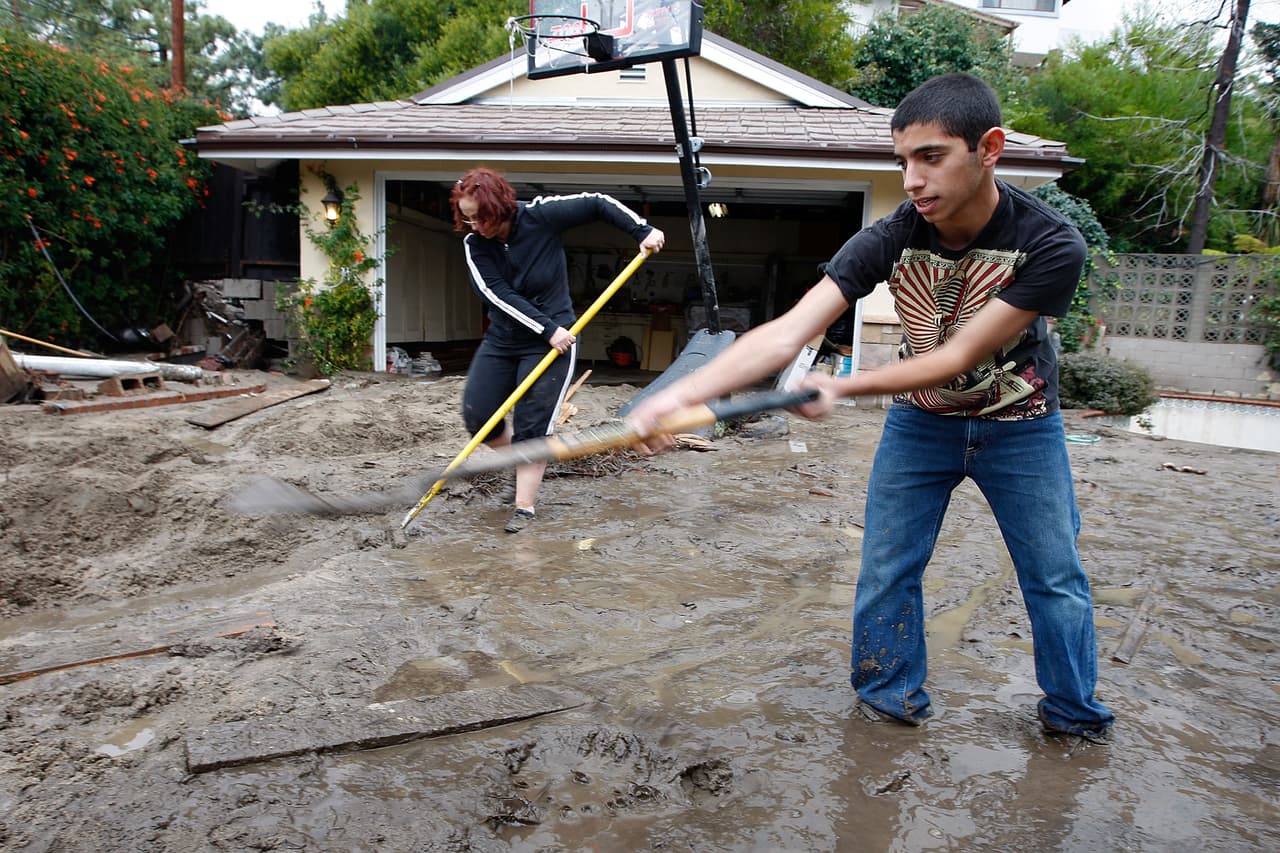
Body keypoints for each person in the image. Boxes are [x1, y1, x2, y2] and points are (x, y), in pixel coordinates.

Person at [626, 73, 1115, 741]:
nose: (913, 179)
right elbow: (790, 329)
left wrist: (844, 386)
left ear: (989, 148)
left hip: (1021, 424)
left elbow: (960, 355)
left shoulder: (1052, 242)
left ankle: (1074, 715)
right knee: (888, 568)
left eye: (932, 157)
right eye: (903, 162)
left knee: (1053, 577)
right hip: (920, 424)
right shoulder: (892, 235)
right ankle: (888, 700)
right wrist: (678, 393)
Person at [451, 168, 665, 533]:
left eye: (481, 217)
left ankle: (524, 506)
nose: (475, 226)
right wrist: (545, 328)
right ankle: (521, 465)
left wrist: (641, 230)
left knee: (532, 425)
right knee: (479, 416)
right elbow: (498, 295)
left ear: (500, 206)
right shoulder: (476, 245)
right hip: (507, 339)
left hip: (555, 342)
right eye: (467, 218)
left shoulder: (539, 215)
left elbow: (597, 204)